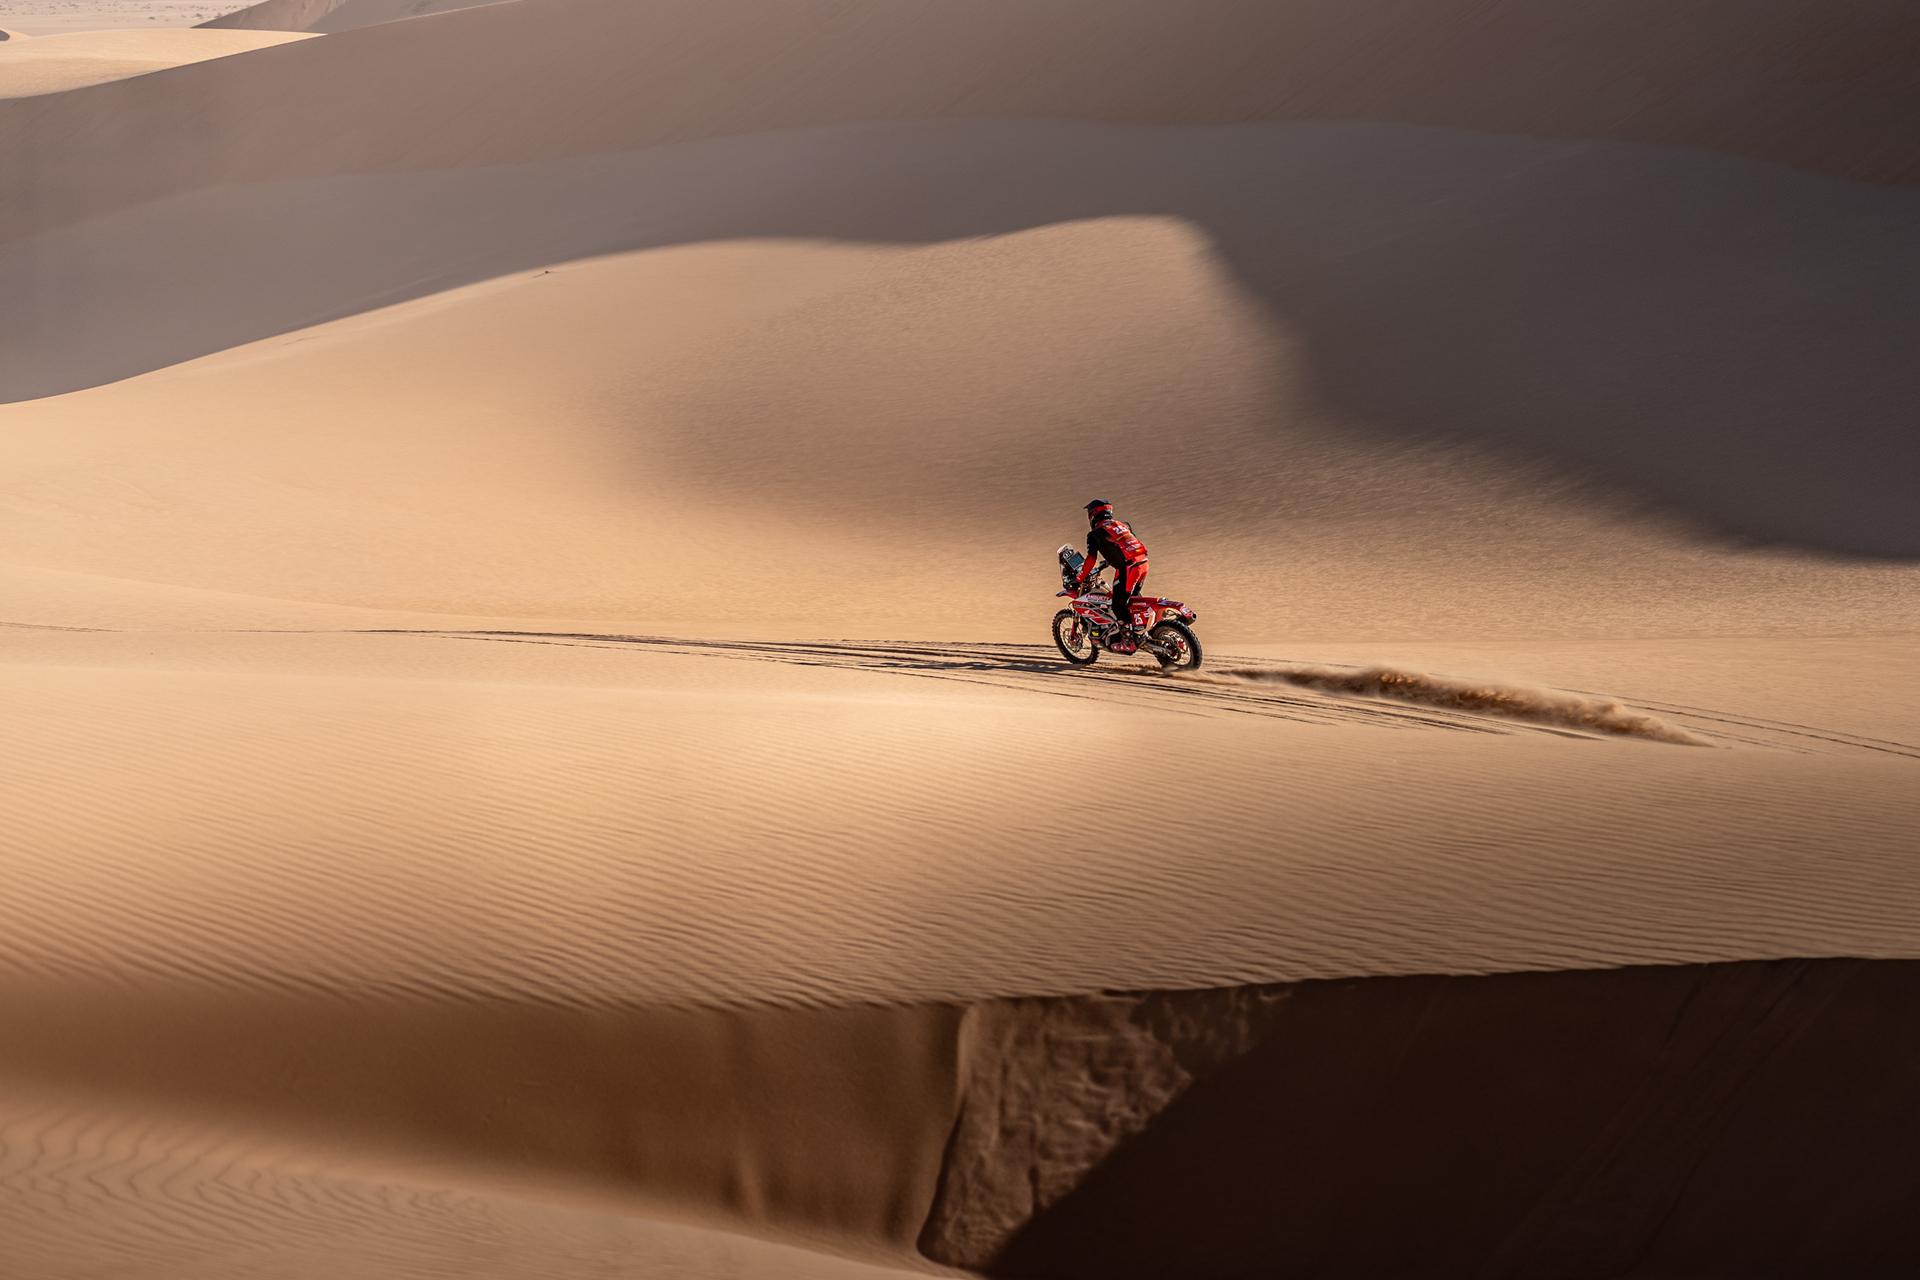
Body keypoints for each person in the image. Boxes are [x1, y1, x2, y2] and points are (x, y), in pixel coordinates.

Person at [1076, 499, 1149, 641]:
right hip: (1143, 562)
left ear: (1093, 515)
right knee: (1132, 600)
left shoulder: (1095, 534)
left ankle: (1128, 640)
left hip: (1128, 568)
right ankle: (1143, 630)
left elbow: (1091, 559)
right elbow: (1126, 545)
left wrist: (1080, 577)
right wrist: (1110, 559)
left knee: (1118, 605)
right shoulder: (1123, 525)